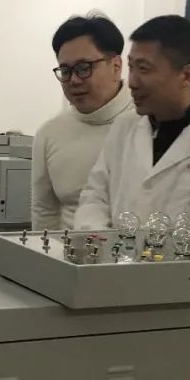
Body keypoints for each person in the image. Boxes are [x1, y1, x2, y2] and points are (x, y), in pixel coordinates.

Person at [74, 15, 190, 229]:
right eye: (131, 67)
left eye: (144, 69)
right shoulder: (125, 126)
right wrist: (100, 238)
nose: (132, 82)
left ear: (187, 75)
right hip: (115, 250)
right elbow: (95, 196)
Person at [32, 13, 133, 231]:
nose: (74, 80)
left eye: (84, 68)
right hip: (68, 250)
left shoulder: (145, 122)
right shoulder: (50, 133)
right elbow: (45, 213)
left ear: (116, 66)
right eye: (65, 71)